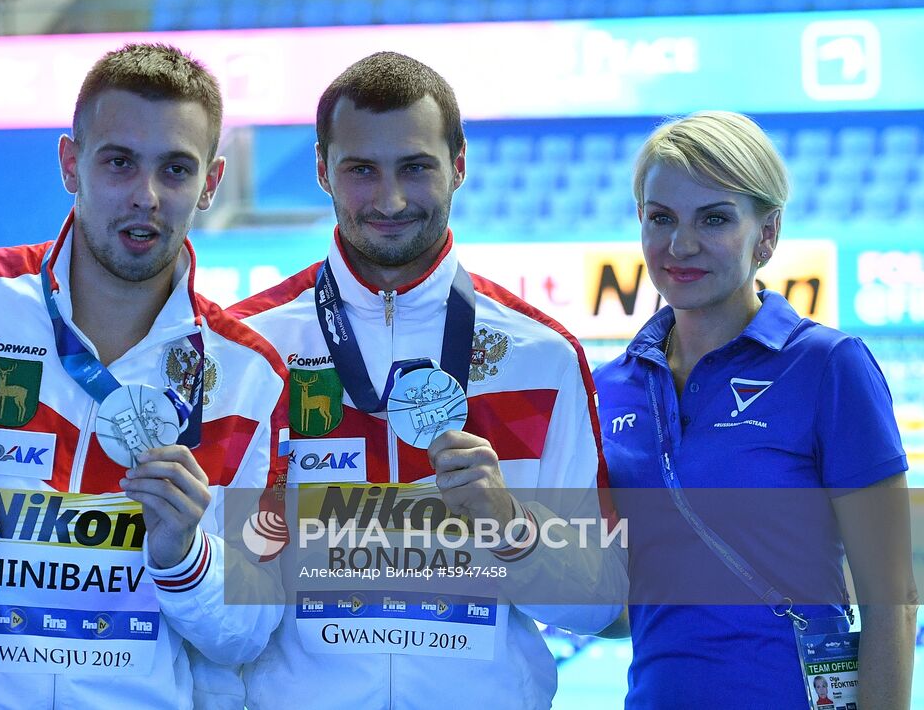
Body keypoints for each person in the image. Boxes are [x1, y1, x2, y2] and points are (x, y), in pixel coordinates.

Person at [229, 52, 624, 709]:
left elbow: (600, 601)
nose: (390, 200)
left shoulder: (543, 356)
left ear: (459, 165)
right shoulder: (248, 350)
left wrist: (511, 527)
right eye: (362, 170)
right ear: (323, 169)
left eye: (415, 167)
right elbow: (209, 595)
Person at [0, 43, 289, 710]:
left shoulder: (250, 376)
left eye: (175, 169)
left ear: (211, 183)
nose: (146, 197)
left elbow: (248, 634)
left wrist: (183, 553)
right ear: (69, 163)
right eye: (119, 162)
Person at [593, 111, 916, 708]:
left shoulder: (828, 367)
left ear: (767, 234)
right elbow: (618, 610)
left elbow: (892, 598)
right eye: (661, 218)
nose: (680, 245)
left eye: (713, 218)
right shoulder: (608, 388)